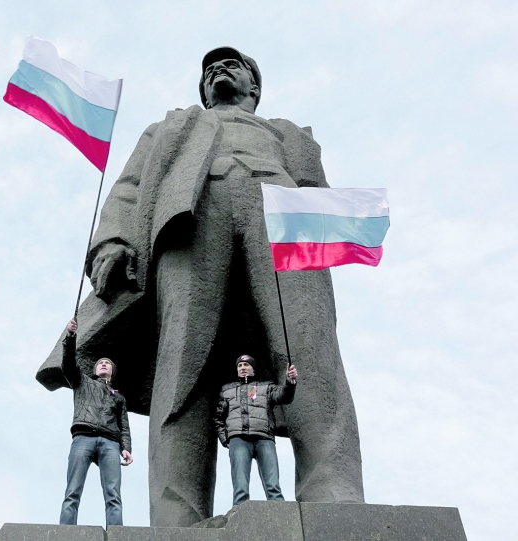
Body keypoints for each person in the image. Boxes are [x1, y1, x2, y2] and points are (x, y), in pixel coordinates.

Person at [38, 46, 364, 527]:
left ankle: (333, 492)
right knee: (183, 359)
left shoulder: (288, 133)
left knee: (309, 349)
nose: (219, 71)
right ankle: (178, 511)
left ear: (255, 86)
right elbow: (129, 186)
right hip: (190, 218)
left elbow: (318, 193)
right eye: (210, 69)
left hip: (282, 218)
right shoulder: (173, 126)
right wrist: (112, 239)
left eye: (232, 65)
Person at [58, 319, 133, 527]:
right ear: (95, 368)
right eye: (100, 362)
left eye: (107, 363)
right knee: (72, 492)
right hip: (83, 437)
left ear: (112, 371)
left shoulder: (119, 397)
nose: (103, 363)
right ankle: (65, 534)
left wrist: (126, 448)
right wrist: (70, 337)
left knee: (113, 496)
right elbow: (68, 363)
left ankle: (116, 535)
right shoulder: (82, 381)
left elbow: (124, 426)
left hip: (110, 443)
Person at [215, 355, 298, 505]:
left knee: (273, 486)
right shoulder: (227, 390)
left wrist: (290, 381)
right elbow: (218, 418)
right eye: (240, 366)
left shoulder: (266, 387)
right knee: (240, 488)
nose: (243, 368)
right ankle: (240, 515)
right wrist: (225, 439)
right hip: (238, 439)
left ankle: (281, 514)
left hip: (264, 438)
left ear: (253, 368)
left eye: (246, 365)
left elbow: (284, 396)